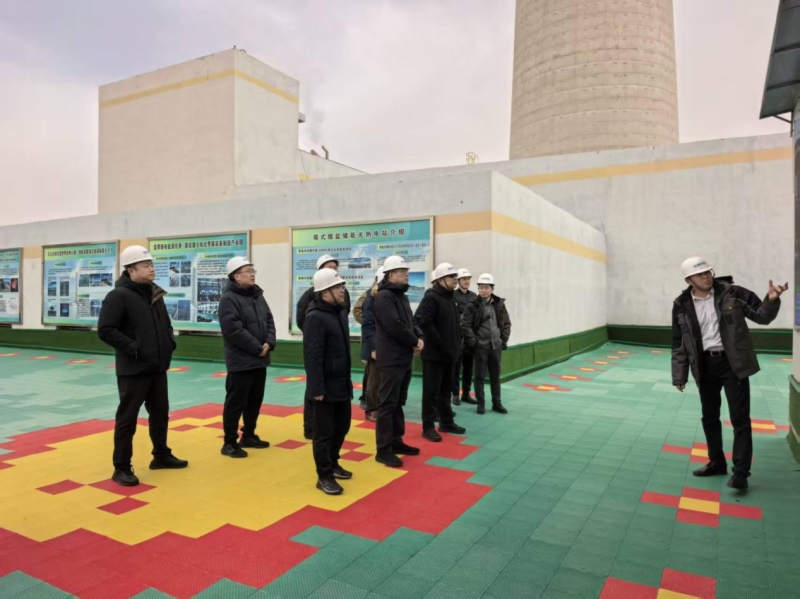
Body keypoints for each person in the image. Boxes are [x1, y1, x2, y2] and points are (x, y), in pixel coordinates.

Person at [672, 257, 786, 490]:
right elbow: (679, 342)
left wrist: (772, 300)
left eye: (708, 272)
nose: (706, 277)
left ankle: (741, 473)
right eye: (700, 274)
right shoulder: (681, 304)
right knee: (709, 417)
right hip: (704, 365)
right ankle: (716, 462)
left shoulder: (733, 293)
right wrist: (679, 375)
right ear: (689, 280)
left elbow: (762, 316)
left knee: (740, 418)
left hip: (733, 363)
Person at [98, 245, 188, 487]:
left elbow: (165, 325)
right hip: (133, 369)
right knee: (127, 419)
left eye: (152, 265)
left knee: (160, 414)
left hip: (157, 367)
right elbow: (106, 330)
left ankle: (161, 455)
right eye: (146, 265)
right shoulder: (118, 296)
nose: (151, 269)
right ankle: (121, 467)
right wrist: (134, 348)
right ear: (131, 270)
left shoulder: (154, 293)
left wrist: (169, 344)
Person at [217, 257, 277, 458]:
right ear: (236, 276)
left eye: (253, 270)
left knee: (254, 400)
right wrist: (257, 347)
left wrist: (269, 342)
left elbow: (269, 320)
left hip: (260, 359)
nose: (252, 274)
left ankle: (249, 435)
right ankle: (229, 442)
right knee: (235, 403)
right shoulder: (228, 299)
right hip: (241, 362)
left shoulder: (257, 295)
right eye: (248, 271)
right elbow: (233, 330)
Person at [303, 268, 354, 495]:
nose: (342, 291)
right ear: (324, 292)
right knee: (324, 433)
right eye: (337, 287)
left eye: (341, 286)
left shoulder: (339, 313)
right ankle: (324, 475)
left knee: (342, 426)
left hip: (342, 382)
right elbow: (312, 356)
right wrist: (316, 388)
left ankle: (333, 463)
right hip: (325, 386)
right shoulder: (315, 317)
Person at [373, 255, 423, 467]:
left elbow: (410, 322)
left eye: (406, 271)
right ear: (391, 274)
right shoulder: (384, 297)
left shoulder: (401, 296)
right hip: (391, 359)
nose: (406, 275)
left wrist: (419, 337)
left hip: (403, 358)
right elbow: (395, 326)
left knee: (398, 402)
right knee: (387, 404)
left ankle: (396, 441)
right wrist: (414, 341)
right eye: (402, 271)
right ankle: (383, 449)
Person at [297, 254, 352, 439]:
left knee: (339, 422)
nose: (333, 270)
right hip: (322, 358)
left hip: (339, 368)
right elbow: (303, 322)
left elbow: (344, 316)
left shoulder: (341, 298)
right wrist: (318, 334)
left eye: (335, 267)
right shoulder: (310, 301)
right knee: (316, 398)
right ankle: (309, 427)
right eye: (329, 267)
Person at [415, 263, 467, 442]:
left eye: (455, 276)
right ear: (440, 280)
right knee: (431, 392)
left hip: (449, 354)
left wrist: (456, 345)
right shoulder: (431, 297)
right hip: (434, 355)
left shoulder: (450, 297)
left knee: (446, 390)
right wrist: (440, 343)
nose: (455, 279)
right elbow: (424, 322)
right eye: (451, 276)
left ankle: (446, 422)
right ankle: (428, 427)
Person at [461, 273, 510, 415]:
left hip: (496, 346)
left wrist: (503, 340)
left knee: (495, 376)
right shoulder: (473, 305)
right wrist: (473, 342)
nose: (483, 290)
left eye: (486, 287)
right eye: (481, 287)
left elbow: (506, 323)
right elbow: (465, 324)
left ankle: (497, 403)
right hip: (480, 346)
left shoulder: (499, 304)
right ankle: (481, 404)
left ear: (492, 289)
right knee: (479, 377)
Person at [353, 268, 381, 411]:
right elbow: (357, 310)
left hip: (383, 342)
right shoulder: (369, 295)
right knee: (370, 372)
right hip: (371, 340)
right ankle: (366, 398)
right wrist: (369, 323)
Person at [360, 267, 383, 422]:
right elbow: (367, 324)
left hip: (386, 345)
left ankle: (380, 406)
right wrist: (373, 346)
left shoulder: (391, 298)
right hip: (374, 345)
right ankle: (372, 409)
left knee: (382, 380)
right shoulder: (370, 298)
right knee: (373, 380)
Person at [452, 268, 478, 406]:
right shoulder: (452, 295)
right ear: (458, 281)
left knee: (468, 368)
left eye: (468, 279)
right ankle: (455, 394)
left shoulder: (474, 296)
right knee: (455, 369)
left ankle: (466, 394)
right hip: (457, 338)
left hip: (469, 339)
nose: (467, 281)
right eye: (464, 279)